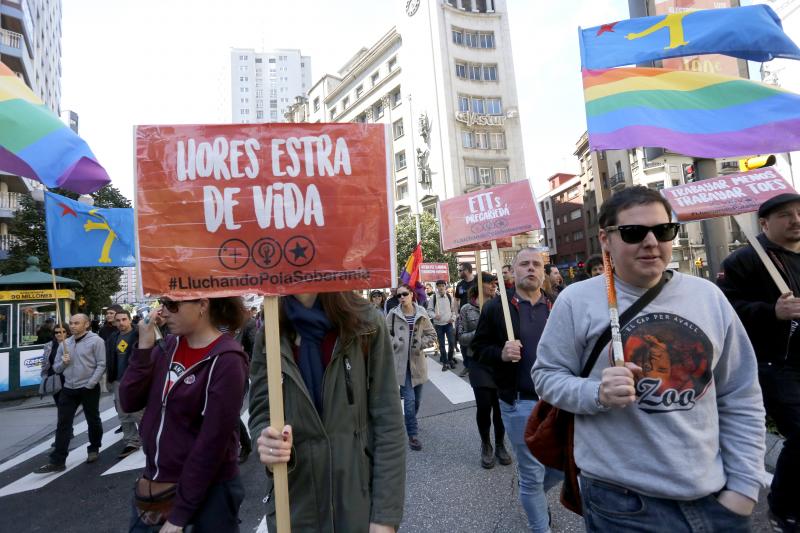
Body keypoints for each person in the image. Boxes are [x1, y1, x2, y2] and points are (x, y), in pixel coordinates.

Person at [534, 186, 766, 532]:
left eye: (663, 230)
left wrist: (744, 488)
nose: (651, 242)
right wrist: (596, 393)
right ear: (605, 239)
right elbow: (546, 376)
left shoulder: (708, 297)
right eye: (633, 232)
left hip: (716, 499)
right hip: (623, 503)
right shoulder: (576, 300)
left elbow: (741, 393)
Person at [250, 291, 406, 533]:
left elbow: (389, 422)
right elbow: (261, 409)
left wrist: (385, 516)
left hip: (356, 503)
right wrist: (266, 439)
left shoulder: (366, 324)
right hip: (295, 508)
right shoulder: (270, 331)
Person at [121, 296, 248, 532]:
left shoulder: (228, 359)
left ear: (202, 304)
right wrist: (144, 348)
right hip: (155, 486)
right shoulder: (169, 345)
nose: (163, 312)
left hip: (208, 493)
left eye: (172, 305)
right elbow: (129, 401)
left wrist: (180, 515)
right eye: (162, 303)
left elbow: (212, 444)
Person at [717, 192, 800, 532]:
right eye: (785, 215)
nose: (795, 219)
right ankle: (782, 507)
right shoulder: (745, 261)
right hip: (772, 365)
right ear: (764, 223)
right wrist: (772, 312)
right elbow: (724, 311)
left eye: (799, 212)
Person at [471, 249, 559, 532]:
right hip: (519, 403)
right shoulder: (498, 308)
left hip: (559, 402)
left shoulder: (556, 305)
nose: (531, 269)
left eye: (536, 264)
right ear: (512, 271)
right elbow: (478, 349)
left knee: (563, 467)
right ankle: (539, 525)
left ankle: (530, 492)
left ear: (543, 271)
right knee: (533, 473)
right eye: (524, 264)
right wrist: (501, 353)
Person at [36, 314, 106, 473]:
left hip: (88, 387)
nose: (73, 326)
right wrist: (63, 362)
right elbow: (56, 368)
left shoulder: (96, 341)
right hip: (68, 388)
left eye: (77, 323)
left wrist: (91, 384)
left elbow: (102, 364)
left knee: (92, 419)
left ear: (86, 324)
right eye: (71, 323)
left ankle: (94, 448)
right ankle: (58, 460)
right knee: (63, 423)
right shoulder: (65, 344)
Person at [459, 285, 511, 469]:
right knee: (484, 405)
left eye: (495, 284)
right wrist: (479, 330)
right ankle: (486, 445)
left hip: (498, 360)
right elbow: (462, 338)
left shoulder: (502, 305)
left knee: (500, 407)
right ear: (481, 286)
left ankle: (500, 444)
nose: (493, 287)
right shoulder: (466, 309)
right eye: (490, 283)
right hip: (478, 361)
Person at [387, 283, 436, 451]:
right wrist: (395, 342)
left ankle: (411, 420)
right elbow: (386, 334)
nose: (401, 297)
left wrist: (421, 343)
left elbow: (432, 334)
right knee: (409, 401)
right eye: (398, 295)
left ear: (411, 294)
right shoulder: (393, 314)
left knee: (417, 401)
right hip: (401, 364)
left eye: (404, 294)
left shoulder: (422, 314)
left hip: (418, 363)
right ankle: (413, 434)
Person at [105, 310, 142, 459]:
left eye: (124, 319)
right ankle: (131, 441)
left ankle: (150, 436)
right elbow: (110, 359)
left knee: (139, 412)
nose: (121, 323)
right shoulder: (113, 338)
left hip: (136, 380)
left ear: (129, 319)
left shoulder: (139, 334)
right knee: (123, 413)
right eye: (118, 320)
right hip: (118, 380)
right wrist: (109, 378)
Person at [427, 279, 457, 371]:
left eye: (442, 286)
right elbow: (429, 310)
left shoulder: (449, 296)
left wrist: (453, 318)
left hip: (448, 324)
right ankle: (445, 363)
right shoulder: (433, 298)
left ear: (445, 287)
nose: (441, 287)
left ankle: (450, 359)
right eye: (439, 286)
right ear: (436, 287)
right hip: (438, 325)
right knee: (442, 345)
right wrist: (434, 316)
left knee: (452, 343)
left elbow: (453, 310)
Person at [39, 324, 68, 406]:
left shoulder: (72, 344)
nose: (59, 334)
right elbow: (45, 362)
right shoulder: (49, 346)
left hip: (68, 378)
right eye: (56, 332)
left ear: (67, 332)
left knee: (67, 404)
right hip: (54, 378)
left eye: (62, 332)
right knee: (59, 403)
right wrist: (45, 375)